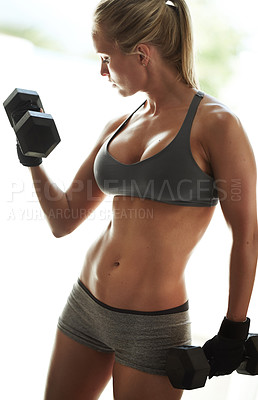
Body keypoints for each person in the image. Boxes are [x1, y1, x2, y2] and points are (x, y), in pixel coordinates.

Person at [15, 0, 257, 399]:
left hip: (152, 328)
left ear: (142, 53)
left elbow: (247, 234)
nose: (102, 71)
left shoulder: (218, 124)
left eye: (107, 58)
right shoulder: (119, 124)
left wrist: (234, 327)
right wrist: (33, 160)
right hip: (85, 305)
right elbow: (63, 220)